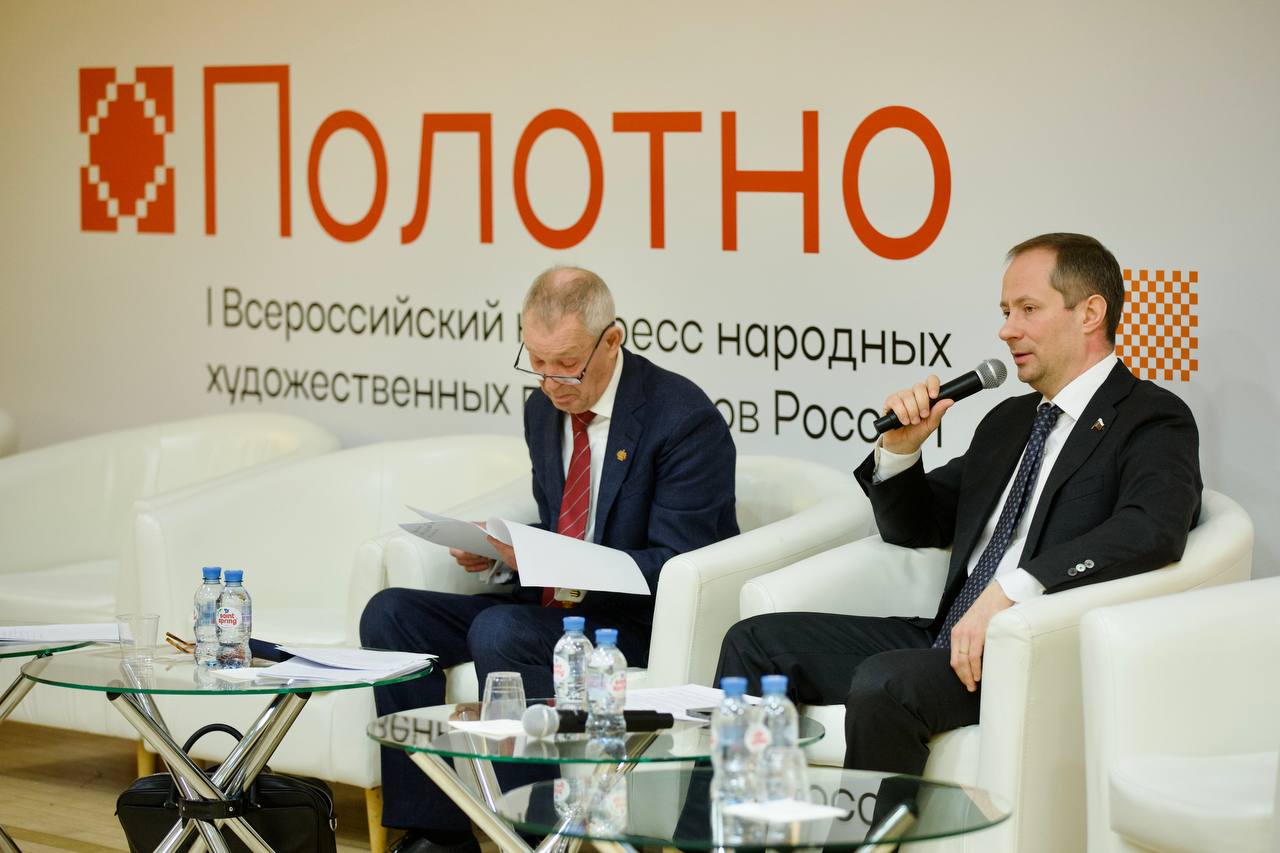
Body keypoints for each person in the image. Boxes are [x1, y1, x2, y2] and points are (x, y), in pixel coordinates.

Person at [715, 232, 1202, 775]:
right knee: (754, 642)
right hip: (947, 636)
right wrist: (901, 451)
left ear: (1090, 313)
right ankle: (732, 816)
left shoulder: (1151, 418)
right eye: (1005, 311)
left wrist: (1014, 590)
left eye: (1028, 309)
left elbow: (1152, 529)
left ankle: (880, 826)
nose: (1006, 329)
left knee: (885, 683)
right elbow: (915, 527)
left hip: (1029, 650)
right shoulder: (1009, 420)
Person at [361, 265, 739, 852]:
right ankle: (435, 834)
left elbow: (678, 564)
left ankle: (534, 836)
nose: (550, 382)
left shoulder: (682, 420)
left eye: (566, 363)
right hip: (554, 608)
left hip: (632, 624)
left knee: (501, 630)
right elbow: (571, 524)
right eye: (536, 362)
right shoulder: (543, 411)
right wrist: (499, 553)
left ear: (611, 341)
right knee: (391, 614)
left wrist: (556, 562)